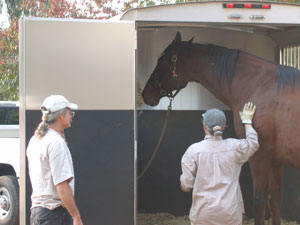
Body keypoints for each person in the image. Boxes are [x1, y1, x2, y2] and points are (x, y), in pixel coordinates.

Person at [180, 102, 259, 225]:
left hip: (203, 215)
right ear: (223, 127)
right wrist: (247, 123)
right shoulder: (235, 147)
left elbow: (186, 185)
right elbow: (253, 143)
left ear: (204, 126)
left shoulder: (193, 150)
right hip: (230, 214)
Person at [27, 95, 83, 225]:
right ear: (61, 115)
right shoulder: (56, 142)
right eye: (69, 112)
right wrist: (76, 216)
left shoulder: (35, 140)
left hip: (38, 213)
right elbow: (62, 185)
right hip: (54, 215)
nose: (71, 116)